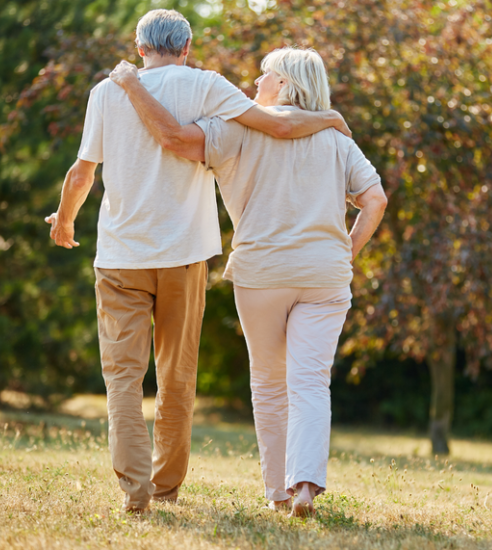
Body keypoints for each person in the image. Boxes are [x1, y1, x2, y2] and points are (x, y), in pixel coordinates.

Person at [45, 10, 352, 514]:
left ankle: (134, 490)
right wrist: (330, 119)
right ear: (187, 45)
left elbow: (83, 171)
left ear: (139, 47)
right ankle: (165, 487)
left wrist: (64, 219)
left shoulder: (106, 92)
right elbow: (275, 124)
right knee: (176, 376)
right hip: (184, 256)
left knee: (122, 378)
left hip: (121, 256)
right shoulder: (208, 85)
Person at [109, 47, 387, 517]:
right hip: (325, 274)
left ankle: (277, 494)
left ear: (283, 84)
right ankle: (304, 487)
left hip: (262, 273)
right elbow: (374, 199)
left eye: (264, 75)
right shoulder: (337, 136)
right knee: (312, 383)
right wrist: (347, 250)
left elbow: (176, 141)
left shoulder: (235, 128)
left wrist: (133, 87)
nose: (254, 83)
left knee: (269, 384)